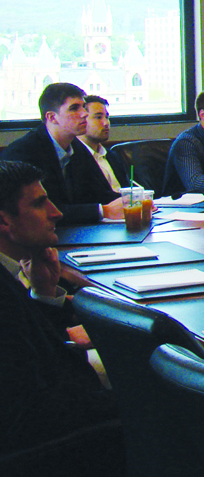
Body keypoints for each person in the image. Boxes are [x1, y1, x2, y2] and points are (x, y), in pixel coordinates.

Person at [0, 161, 122, 468]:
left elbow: (35, 354)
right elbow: (27, 408)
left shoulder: (10, 277)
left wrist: (43, 293)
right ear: (4, 220)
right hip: (53, 448)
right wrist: (136, 400)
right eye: (41, 204)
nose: (56, 213)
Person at [0, 83, 124, 224]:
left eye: (83, 107)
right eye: (74, 108)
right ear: (52, 118)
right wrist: (104, 211)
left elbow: (98, 192)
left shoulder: (76, 146)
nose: (84, 114)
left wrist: (133, 200)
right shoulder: (24, 153)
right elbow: (44, 210)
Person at [78, 95, 128, 193]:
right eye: (98, 117)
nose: (106, 123)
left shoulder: (113, 156)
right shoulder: (74, 158)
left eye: (107, 117)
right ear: (82, 120)